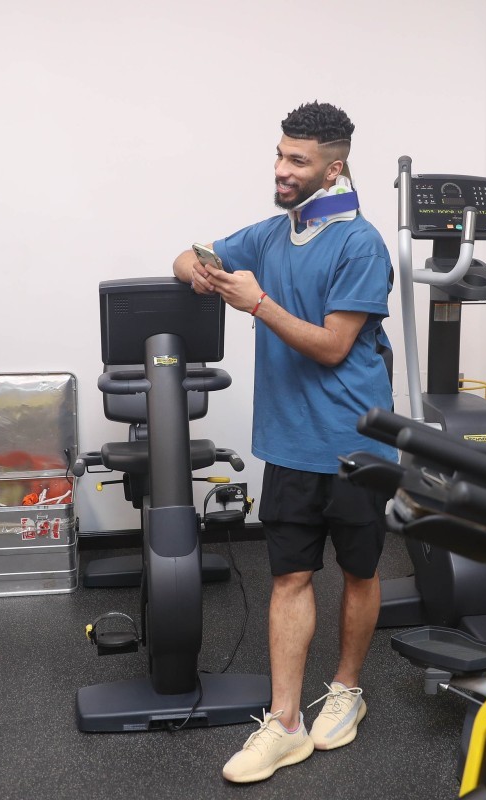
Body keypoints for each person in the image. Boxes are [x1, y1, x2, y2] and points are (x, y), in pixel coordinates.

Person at [173, 101, 397, 784]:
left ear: (334, 170)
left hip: (355, 441)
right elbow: (186, 254)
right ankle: (286, 721)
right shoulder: (273, 234)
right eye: (279, 154)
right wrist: (199, 272)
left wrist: (257, 304)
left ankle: (348, 689)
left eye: (297, 160)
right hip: (291, 442)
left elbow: (332, 346)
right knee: (290, 576)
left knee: (358, 572)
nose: (281, 169)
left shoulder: (360, 244)